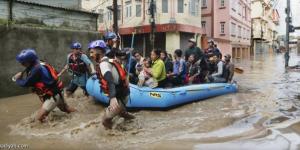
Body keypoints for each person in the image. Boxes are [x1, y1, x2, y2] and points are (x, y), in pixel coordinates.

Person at [13, 49, 76, 122]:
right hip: (56, 92)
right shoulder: (38, 63)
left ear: (30, 61)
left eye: (23, 62)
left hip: (53, 95)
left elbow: (25, 83)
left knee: (38, 119)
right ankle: (80, 114)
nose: (22, 64)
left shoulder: (36, 70)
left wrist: (17, 79)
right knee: (66, 109)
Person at [88, 40, 134, 129]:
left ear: (100, 51)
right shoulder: (109, 60)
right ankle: (133, 120)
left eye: (92, 52)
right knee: (122, 113)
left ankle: (117, 137)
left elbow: (110, 81)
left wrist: (113, 98)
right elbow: (125, 75)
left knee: (105, 121)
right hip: (124, 93)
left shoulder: (104, 64)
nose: (90, 55)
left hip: (118, 96)